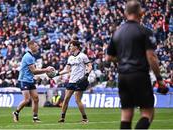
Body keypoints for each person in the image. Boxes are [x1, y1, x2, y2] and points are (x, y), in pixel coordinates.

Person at [106, 0, 166, 129]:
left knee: (126, 114)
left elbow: (109, 57)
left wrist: (122, 58)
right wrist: (159, 79)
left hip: (122, 77)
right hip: (139, 74)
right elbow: (151, 56)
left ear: (125, 13)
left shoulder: (117, 32)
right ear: (141, 13)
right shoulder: (145, 31)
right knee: (147, 113)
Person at [12, 40, 54, 123]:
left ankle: (35, 118)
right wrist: (46, 70)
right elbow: (34, 71)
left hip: (30, 80)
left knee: (36, 98)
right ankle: (16, 112)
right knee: (27, 100)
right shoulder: (28, 57)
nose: (37, 47)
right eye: (36, 45)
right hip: (24, 80)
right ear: (30, 46)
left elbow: (33, 72)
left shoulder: (31, 56)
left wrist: (42, 73)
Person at [57, 39, 92, 123]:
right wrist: (57, 74)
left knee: (77, 100)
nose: (69, 47)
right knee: (66, 99)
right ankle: (62, 118)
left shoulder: (83, 56)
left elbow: (90, 66)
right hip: (71, 81)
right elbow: (67, 70)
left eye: (71, 46)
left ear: (76, 47)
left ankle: (85, 118)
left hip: (79, 81)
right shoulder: (70, 58)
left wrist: (87, 75)